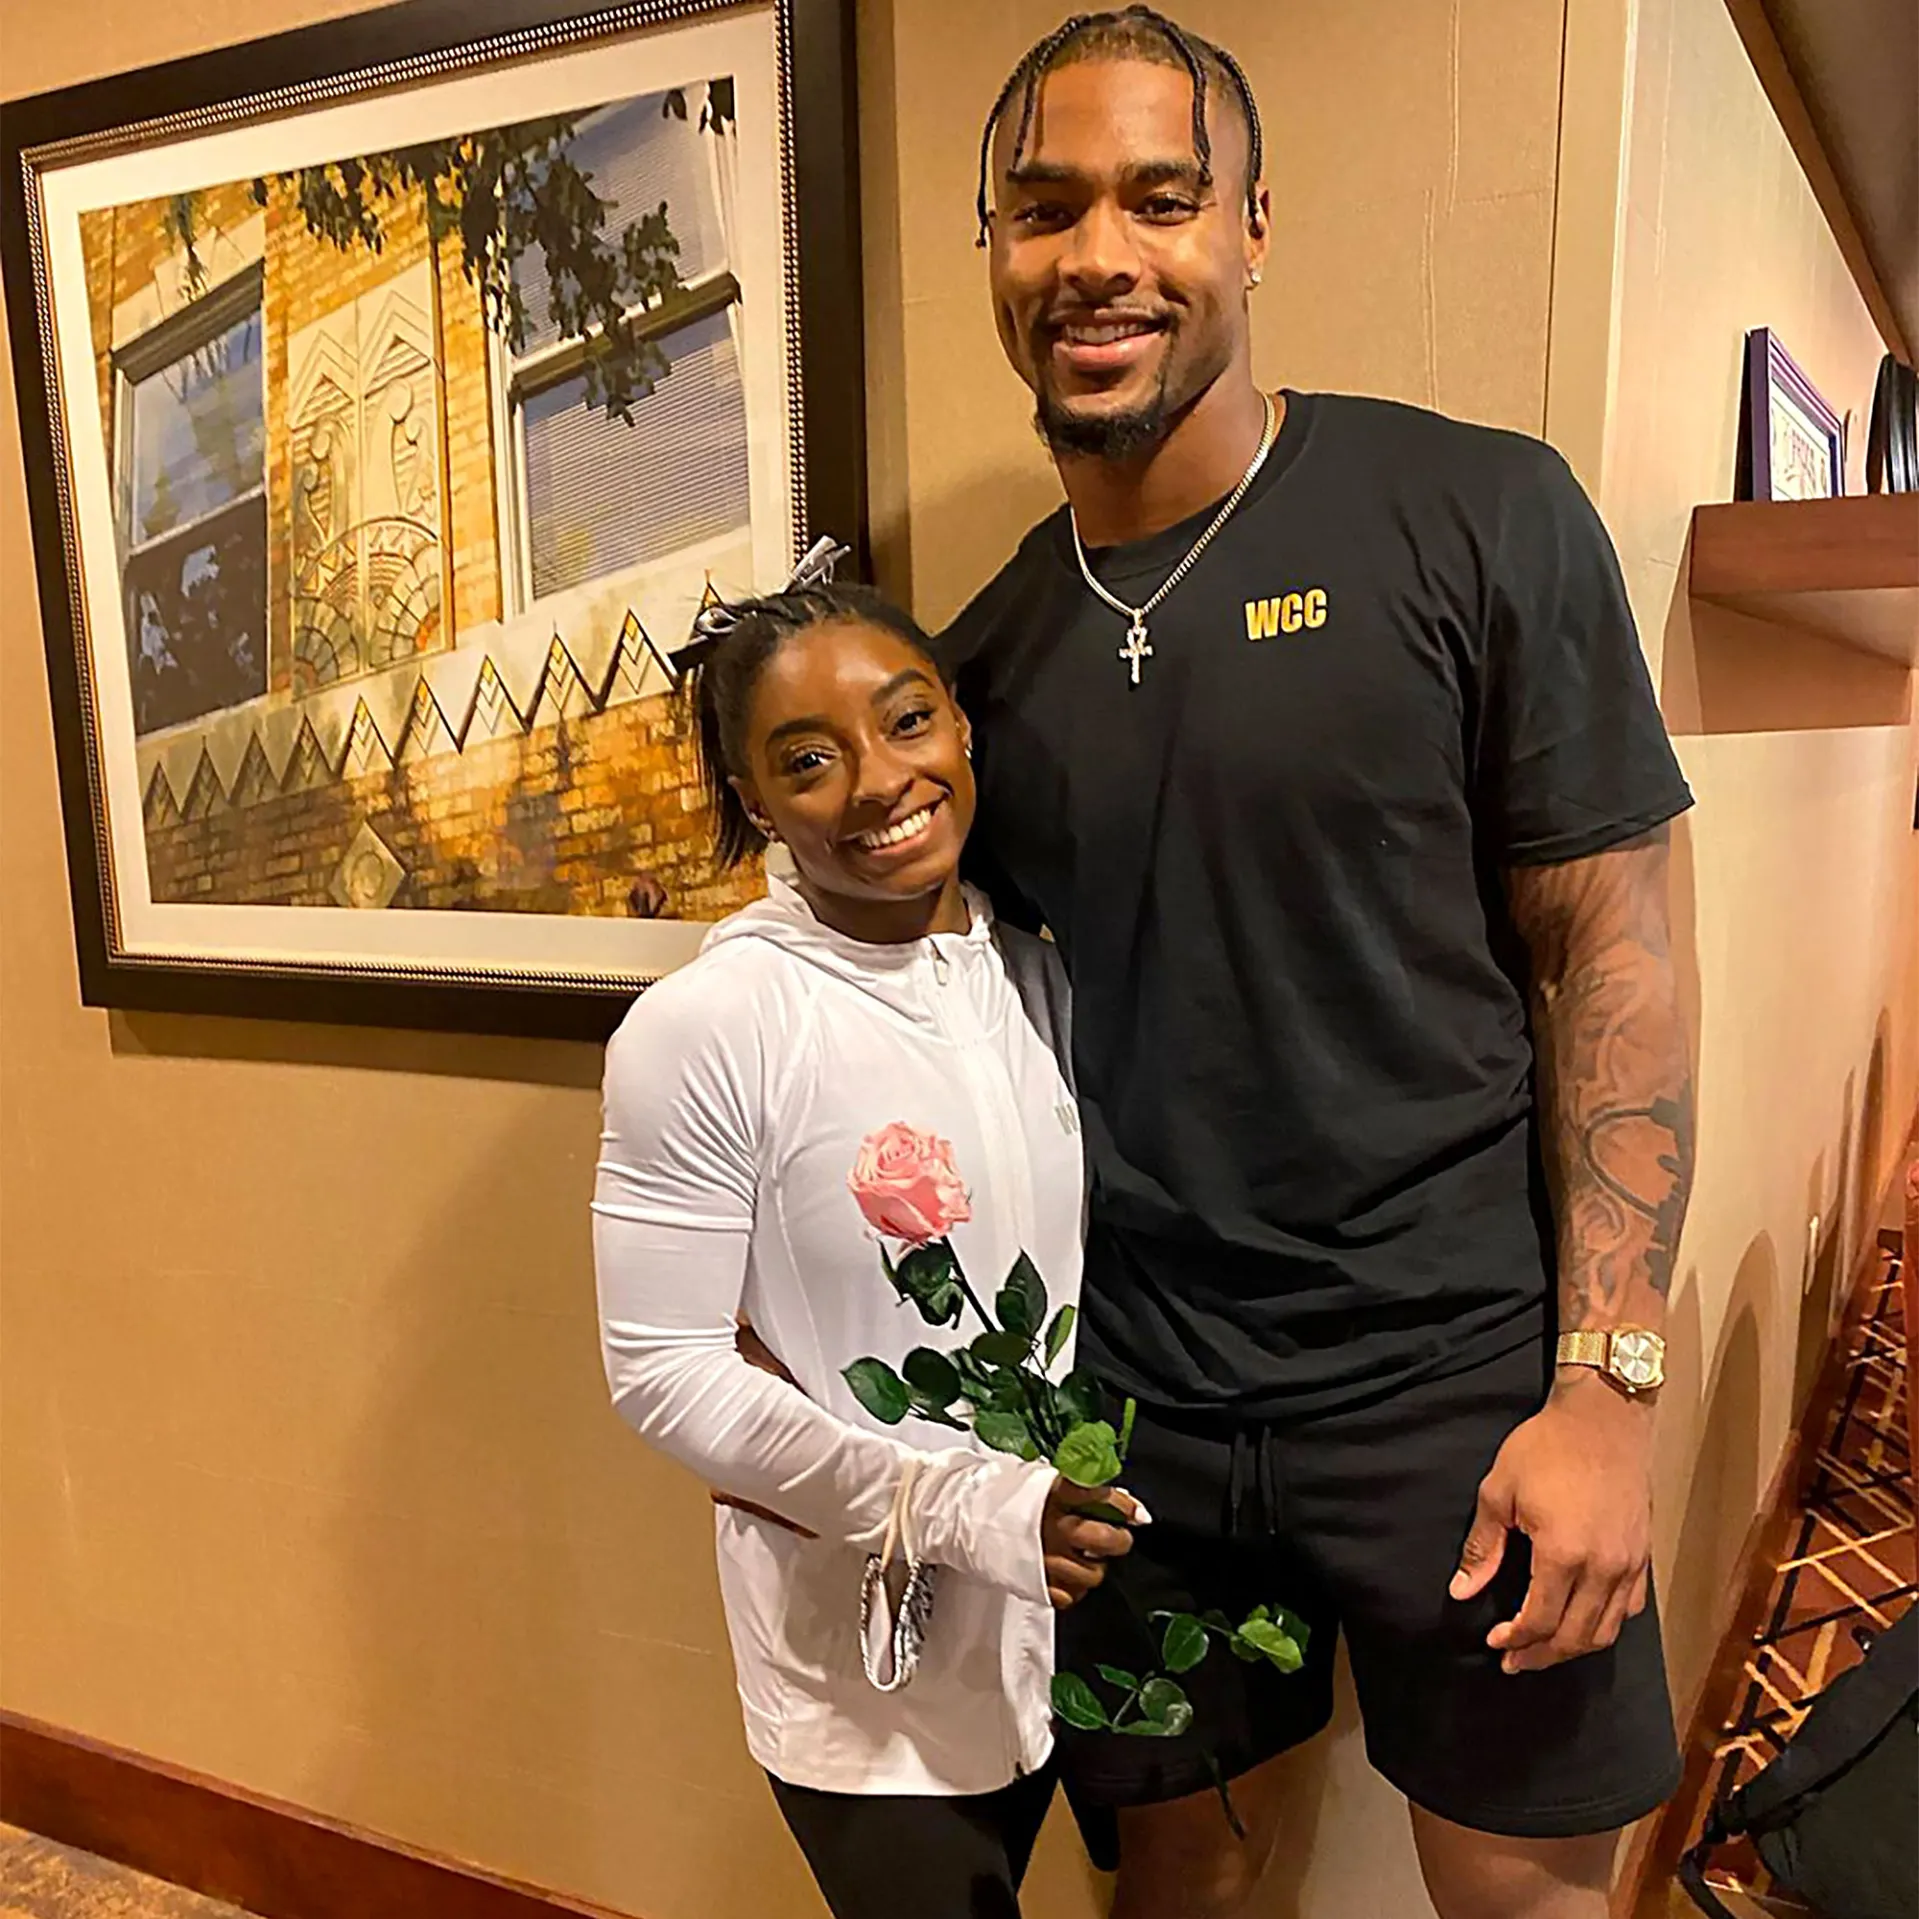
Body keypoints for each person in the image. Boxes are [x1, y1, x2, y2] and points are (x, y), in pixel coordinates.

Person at [940, 10, 1696, 1918]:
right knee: (1174, 1891)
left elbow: (1612, 942)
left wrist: (1606, 1390)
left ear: (1252, 228)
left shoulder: (1478, 513)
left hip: (1461, 1385)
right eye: (1043, 208)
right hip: (1138, 1413)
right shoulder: (977, 668)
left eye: (1159, 198)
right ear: (994, 249)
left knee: (1523, 1898)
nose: (1098, 255)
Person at [590, 575, 1139, 1919]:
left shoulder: (1039, 977)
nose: (879, 781)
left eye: (905, 721)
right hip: (860, 1649)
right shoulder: (711, 1026)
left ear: (961, 723)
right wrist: (959, 1513)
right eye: (808, 760)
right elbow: (662, 1369)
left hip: (1067, 1608)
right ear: (755, 799)